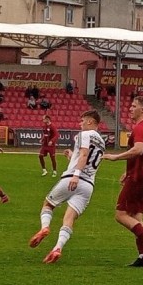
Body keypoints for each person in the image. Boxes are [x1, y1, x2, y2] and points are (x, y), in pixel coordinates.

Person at [29, 110, 106, 264]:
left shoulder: (84, 134)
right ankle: (58, 248)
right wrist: (72, 156)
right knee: (69, 218)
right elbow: (89, 160)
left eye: (82, 121)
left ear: (90, 122)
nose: (80, 123)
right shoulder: (102, 142)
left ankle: (45, 227)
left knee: (48, 205)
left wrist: (76, 174)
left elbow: (84, 155)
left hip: (72, 179)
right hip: (88, 185)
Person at [103, 96, 143, 268]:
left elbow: (138, 150)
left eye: (134, 106)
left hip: (137, 179)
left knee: (121, 215)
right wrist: (126, 171)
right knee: (136, 217)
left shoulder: (141, 127)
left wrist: (116, 157)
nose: (130, 108)